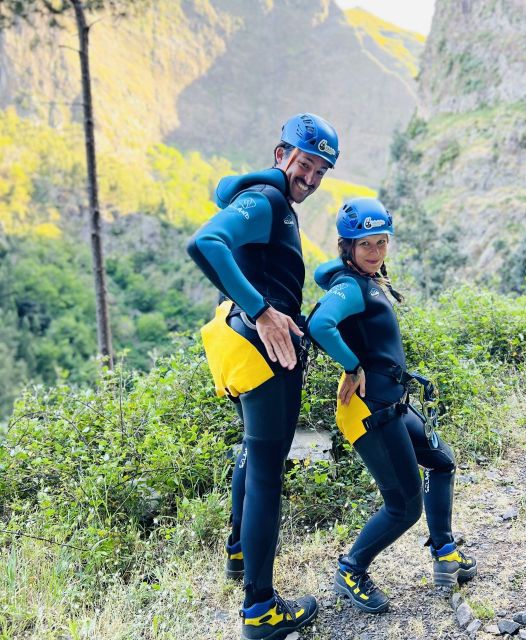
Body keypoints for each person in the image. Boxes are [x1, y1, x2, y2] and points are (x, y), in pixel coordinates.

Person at [187, 113, 339, 639]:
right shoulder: (270, 199)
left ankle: (237, 553)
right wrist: (264, 311)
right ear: (281, 155)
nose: (312, 177)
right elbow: (207, 244)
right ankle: (261, 610)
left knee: (253, 453)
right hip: (264, 354)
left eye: (322, 170)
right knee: (269, 473)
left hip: (236, 346)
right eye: (305, 163)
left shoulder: (271, 199)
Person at [306, 197, 476, 614]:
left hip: (391, 405)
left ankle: (445, 552)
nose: (376, 252)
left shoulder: (368, 281)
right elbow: (319, 324)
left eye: (382, 242)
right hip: (368, 412)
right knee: (403, 506)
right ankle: (351, 569)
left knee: (442, 461)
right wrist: (351, 364)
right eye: (366, 244)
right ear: (347, 246)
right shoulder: (350, 286)